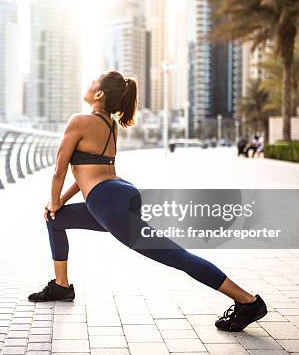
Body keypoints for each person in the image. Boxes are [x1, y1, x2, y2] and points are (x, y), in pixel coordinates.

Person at [27, 71, 268, 332]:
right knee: (55, 219)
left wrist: (52, 200)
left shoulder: (79, 121)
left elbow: (59, 171)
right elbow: (88, 173)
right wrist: (59, 202)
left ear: (99, 94)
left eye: (92, 82)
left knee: (179, 257)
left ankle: (248, 301)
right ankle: (61, 286)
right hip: (116, 195)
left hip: (108, 203)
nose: (87, 84)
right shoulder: (109, 124)